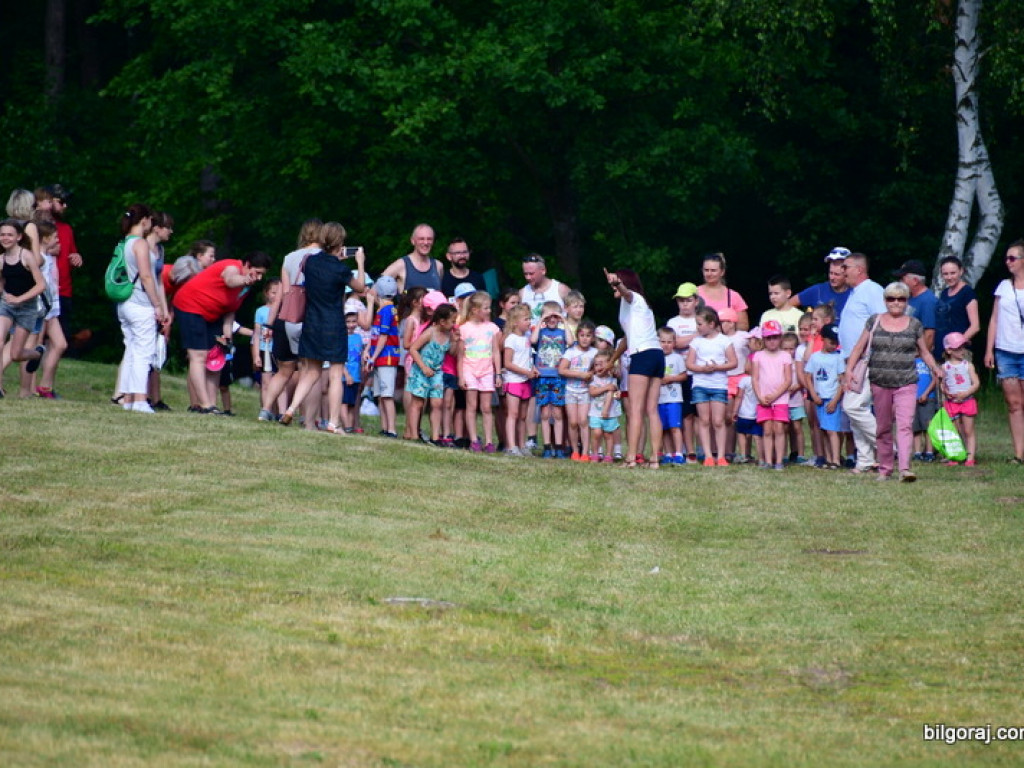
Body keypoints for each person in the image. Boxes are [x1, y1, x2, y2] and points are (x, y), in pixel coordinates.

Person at [845, 281, 942, 482]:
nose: (896, 303)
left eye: (901, 299)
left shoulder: (914, 324)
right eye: (891, 298)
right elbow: (858, 348)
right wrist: (848, 371)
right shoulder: (874, 321)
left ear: (906, 301)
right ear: (885, 300)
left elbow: (924, 351)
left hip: (907, 381)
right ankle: (885, 468)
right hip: (879, 381)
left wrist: (936, 369)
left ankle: (905, 469)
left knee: (905, 425)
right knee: (883, 427)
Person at [279, 223, 366, 431]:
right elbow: (361, 287)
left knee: (310, 372)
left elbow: (323, 269)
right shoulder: (341, 269)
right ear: (341, 242)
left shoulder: (309, 262)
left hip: (311, 323)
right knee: (335, 374)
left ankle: (290, 409)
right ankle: (334, 422)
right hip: (333, 325)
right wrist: (360, 263)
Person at [173, 248, 270, 414]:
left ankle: (212, 404)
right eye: (257, 272)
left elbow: (230, 310)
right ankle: (203, 404)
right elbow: (230, 280)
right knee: (199, 356)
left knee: (216, 358)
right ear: (247, 265)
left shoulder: (245, 288)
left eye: (262, 275)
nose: (259, 278)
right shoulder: (232, 266)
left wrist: (227, 335)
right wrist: (244, 279)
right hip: (191, 307)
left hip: (213, 315)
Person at [260, 220, 322, 422]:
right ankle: (307, 417)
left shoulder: (289, 258)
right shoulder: (323, 257)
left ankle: (266, 410)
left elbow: (283, 294)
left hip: (286, 317)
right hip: (310, 317)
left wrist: (269, 324)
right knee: (310, 369)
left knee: (284, 370)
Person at [605, 267, 665, 468]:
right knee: (651, 409)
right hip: (656, 355)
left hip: (643, 355)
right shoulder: (633, 307)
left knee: (636, 410)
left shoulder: (635, 299)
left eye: (617, 283)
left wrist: (616, 283)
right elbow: (626, 340)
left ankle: (631, 458)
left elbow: (627, 293)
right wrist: (612, 360)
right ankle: (655, 459)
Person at [114, 205, 170, 414]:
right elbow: (147, 276)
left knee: (131, 349)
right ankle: (139, 399)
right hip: (140, 303)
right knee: (143, 352)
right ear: (144, 220)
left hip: (125, 302)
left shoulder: (124, 242)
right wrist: (157, 305)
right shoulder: (140, 244)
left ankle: (127, 397)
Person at [837, 252, 886, 473]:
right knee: (857, 408)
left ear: (859, 269)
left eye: (845, 267)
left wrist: (868, 354)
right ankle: (865, 460)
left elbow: (882, 321)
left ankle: (888, 448)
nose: (842, 271)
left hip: (867, 359)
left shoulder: (872, 290)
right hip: (853, 360)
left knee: (852, 406)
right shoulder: (855, 293)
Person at [983, 240, 1024, 464]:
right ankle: (1018, 454)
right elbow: (994, 319)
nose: (1008, 262)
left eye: (1012, 258)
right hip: (1006, 350)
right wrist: (989, 349)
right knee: (1013, 403)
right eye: (1006, 258)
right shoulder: (1003, 287)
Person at [0, 219, 47, 397]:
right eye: (2, 234)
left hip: (27, 308)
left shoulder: (26, 256)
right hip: (7, 306)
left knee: (16, 354)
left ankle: (37, 353)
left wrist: (20, 299)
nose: (5, 238)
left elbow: (41, 285)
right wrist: (4, 294)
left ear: (19, 237)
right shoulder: (1, 259)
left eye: (9, 235)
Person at [685, 307, 736, 466]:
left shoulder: (724, 341)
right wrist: (703, 369)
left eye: (700, 324)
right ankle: (707, 455)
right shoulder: (696, 342)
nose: (697, 327)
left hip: (719, 385)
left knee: (718, 421)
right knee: (704, 420)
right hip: (700, 385)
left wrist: (717, 367)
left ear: (712, 324)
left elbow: (734, 362)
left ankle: (720, 456)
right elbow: (689, 364)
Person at [458, 290, 502, 452]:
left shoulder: (492, 328)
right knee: (471, 406)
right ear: (475, 310)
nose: (489, 311)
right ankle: (474, 439)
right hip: (469, 370)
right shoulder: (464, 328)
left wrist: (498, 373)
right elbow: (461, 355)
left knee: (486, 407)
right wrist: (461, 376)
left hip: (487, 371)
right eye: (486, 308)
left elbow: (496, 351)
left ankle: (489, 441)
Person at [407, 303, 457, 445]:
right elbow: (413, 349)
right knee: (418, 403)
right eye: (452, 321)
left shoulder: (449, 335)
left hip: (436, 373)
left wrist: (455, 342)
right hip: (421, 371)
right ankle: (414, 435)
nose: (454, 324)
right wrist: (423, 367)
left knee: (437, 403)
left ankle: (435, 437)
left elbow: (452, 353)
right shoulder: (430, 332)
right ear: (442, 321)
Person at [751, 320, 793, 471]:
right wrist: (760, 397)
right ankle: (768, 460)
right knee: (767, 430)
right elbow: (754, 378)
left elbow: (788, 380)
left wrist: (775, 395)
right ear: (763, 339)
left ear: (780, 337)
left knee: (779, 429)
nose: (772, 341)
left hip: (780, 399)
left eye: (775, 337)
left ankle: (779, 461)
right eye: (768, 338)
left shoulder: (785, 356)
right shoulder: (758, 356)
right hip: (763, 399)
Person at [803, 323, 845, 469]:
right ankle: (828, 458)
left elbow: (842, 381)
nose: (834, 345)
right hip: (819, 398)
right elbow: (808, 376)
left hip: (832, 398)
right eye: (831, 341)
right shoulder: (815, 358)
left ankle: (836, 459)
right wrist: (813, 394)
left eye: (836, 342)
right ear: (823, 339)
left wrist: (835, 400)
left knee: (833, 430)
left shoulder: (838, 358)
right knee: (824, 429)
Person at [46, 185, 83, 343]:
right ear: (49, 202)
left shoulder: (66, 229)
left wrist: (76, 258)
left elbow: (71, 255)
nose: (65, 206)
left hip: (63, 291)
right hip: (43, 289)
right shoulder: (35, 227)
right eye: (61, 201)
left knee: (60, 341)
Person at [531, 300, 567, 457]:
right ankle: (547, 447)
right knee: (545, 413)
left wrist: (564, 320)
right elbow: (532, 341)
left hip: (558, 377)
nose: (552, 320)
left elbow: (571, 342)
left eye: (555, 316)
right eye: (549, 316)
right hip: (543, 377)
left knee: (557, 413)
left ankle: (558, 447)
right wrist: (541, 320)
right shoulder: (540, 332)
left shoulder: (563, 333)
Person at [558, 319, 597, 460]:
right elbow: (562, 369)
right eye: (582, 335)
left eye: (588, 335)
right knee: (573, 422)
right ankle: (575, 451)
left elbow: (599, 369)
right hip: (570, 391)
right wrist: (580, 374)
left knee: (583, 421)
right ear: (577, 336)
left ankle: (585, 452)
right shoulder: (570, 352)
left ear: (593, 338)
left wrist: (592, 374)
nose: (585, 338)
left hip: (586, 392)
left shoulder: (595, 353)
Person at [502, 303, 538, 456]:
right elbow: (508, 363)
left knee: (523, 416)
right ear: (515, 322)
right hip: (514, 381)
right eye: (526, 319)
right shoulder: (511, 339)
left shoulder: (528, 338)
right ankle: (511, 446)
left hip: (526, 381)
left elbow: (528, 358)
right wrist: (525, 372)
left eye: (530, 318)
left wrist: (533, 370)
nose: (529, 322)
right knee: (513, 414)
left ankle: (522, 445)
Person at [941, 332, 980, 467]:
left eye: (963, 347)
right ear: (949, 350)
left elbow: (976, 383)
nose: (962, 351)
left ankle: (970, 457)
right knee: (955, 431)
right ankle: (956, 456)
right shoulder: (945, 367)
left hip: (967, 401)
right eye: (958, 348)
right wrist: (946, 391)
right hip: (952, 403)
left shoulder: (967, 365)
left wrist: (966, 393)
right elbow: (942, 384)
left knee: (969, 430)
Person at [369, 274, 401, 438]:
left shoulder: (387, 311)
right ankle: (384, 427)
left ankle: (391, 429)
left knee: (387, 395)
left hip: (386, 357)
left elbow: (383, 336)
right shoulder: (383, 310)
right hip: (380, 357)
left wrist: (373, 357)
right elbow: (374, 335)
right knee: (380, 394)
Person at [933, 256, 981, 363]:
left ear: (961, 271)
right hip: (941, 349)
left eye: (953, 273)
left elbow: (975, 326)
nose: (949, 277)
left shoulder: (967, 293)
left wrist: (957, 345)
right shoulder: (944, 293)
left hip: (959, 352)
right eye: (945, 274)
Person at [788, 246, 852, 318]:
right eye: (830, 273)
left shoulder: (855, 293)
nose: (832, 277)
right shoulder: (818, 290)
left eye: (837, 274)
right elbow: (788, 305)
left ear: (846, 274)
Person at [381, 223, 444, 292]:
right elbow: (374, 291)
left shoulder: (438, 266)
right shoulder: (401, 265)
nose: (426, 243)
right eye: (421, 239)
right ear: (413, 241)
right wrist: (386, 303)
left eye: (429, 239)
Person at [657, 327, 687, 465]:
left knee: (675, 427)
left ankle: (679, 453)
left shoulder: (677, 358)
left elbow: (684, 376)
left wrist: (671, 378)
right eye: (662, 341)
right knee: (664, 428)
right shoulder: (656, 358)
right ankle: (668, 453)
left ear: (674, 343)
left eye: (669, 342)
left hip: (673, 398)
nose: (666, 344)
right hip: (659, 399)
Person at [697, 252, 749, 330]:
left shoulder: (733, 296)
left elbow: (743, 326)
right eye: (706, 270)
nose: (709, 273)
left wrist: (728, 328)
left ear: (722, 272)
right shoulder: (694, 292)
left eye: (713, 270)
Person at [895, 259, 938, 354]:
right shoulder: (910, 297)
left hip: (915, 358)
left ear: (915, 281)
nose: (900, 282)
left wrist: (919, 358)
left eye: (903, 279)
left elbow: (929, 335)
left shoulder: (928, 301)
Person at [588, 350, 622, 463]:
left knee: (608, 434)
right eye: (596, 364)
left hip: (609, 414)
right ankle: (595, 453)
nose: (599, 366)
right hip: (595, 412)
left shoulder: (613, 380)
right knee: (597, 433)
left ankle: (608, 455)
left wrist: (606, 411)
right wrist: (606, 387)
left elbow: (611, 394)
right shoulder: (593, 379)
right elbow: (592, 392)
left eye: (602, 363)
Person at [519, 253, 569, 321]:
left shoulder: (561, 290)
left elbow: (574, 317)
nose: (528, 277)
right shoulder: (522, 293)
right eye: (525, 274)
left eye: (531, 273)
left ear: (543, 271)